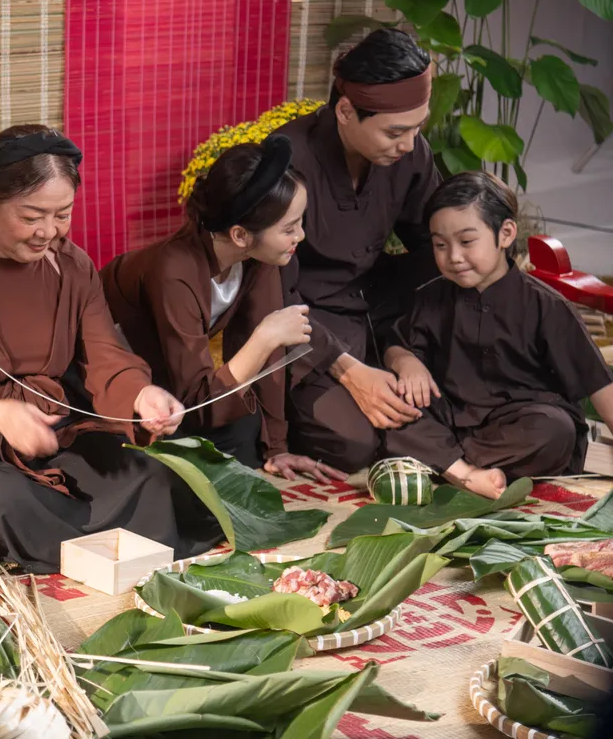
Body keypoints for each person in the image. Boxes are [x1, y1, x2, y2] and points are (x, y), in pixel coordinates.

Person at [0, 124, 220, 573]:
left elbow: (105, 354)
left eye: (63, 214)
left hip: (54, 436)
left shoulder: (72, 265)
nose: (47, 232)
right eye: (32, 215)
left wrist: (141, 394)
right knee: (1, 504)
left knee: (154, 479)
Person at [101, 136, 347, 484]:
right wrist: (265, 337)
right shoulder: (174, 270)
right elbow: (198, 400)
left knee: (245, 437)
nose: (301, 236)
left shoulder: (258, 258)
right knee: (170, 474)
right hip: (123, 385)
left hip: (176, 383)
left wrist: (276, 448)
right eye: (290, 228)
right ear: (240, 235)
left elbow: (268, 360)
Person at [274, 27, 443, 473]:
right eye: (395, 132)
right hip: (308, 327)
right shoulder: (287, 163)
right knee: (353, 445)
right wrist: (349, 371)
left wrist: (408, 347)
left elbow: (434, 246)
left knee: (455, 404)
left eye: (417, 128)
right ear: (346, 110)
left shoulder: (410, 153)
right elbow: (273, 296)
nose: (408, 145)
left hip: (383, 310)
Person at [383, 172, 613, 498]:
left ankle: (446, 464)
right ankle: (463, 471)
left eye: (466, 241)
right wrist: (406, 361)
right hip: (449, 415)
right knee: (394, 404)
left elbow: (600, 385)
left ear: (505, 234)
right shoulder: (430, 297)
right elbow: (395, 344)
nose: (454, 257)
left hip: (521, 423)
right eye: (440, 245)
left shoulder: (546, 306)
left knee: (555, 432)